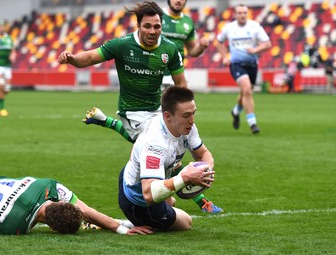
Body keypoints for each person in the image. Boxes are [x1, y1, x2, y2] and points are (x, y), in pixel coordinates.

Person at [58, 1, 222, 214]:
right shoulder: (122, 45)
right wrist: (72, 59)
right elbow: (89, 57)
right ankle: (202, 201)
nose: (152, 31)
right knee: (166, 150)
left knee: (167, 159)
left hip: (157, 110)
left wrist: (184, 111)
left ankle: (104, 121)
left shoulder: (169, 49)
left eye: (157, 26)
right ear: (138, 26)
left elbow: (181, 84)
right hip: (132, 113)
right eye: (147, 26)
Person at [0, 144, 152, 235]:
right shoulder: (16, 227)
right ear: (52, 227)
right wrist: (122, 228)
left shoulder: (48, 185)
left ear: (60, 202)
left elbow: (87, 211)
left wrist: (122, 228)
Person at [118, 86, 218, 231]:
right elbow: (149, 194)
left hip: (140, 177)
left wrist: (205, 171)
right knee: (186, 222)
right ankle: (123, 223)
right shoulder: (155, 144)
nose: (192, 120)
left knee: (171, 202)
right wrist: (185, 178)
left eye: (193, 114)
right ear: (167, 116)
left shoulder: (186, 127)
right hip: (137, 200)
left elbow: (203, 154)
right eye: (186, 115)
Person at [216, 4, 272, 134]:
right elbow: (219, 42)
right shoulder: (229, 28)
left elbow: (268, 44)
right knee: (247, 90)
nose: (242, 15)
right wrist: (225, 57)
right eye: (239, 13)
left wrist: (255, 50)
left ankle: (235, 111)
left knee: (244, 93)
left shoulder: (255, 26)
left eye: (244, 13)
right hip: (237, 64)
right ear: (235, 15)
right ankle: (253, 123)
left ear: (248, 14)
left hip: (252, 64)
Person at [161, 0, 209, 88]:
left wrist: (201, 47)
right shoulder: (158, 16)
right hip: (156, 73)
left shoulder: (188, 21)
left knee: (188, 102)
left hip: (177, 73)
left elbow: (192, 51)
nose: (178, 1)